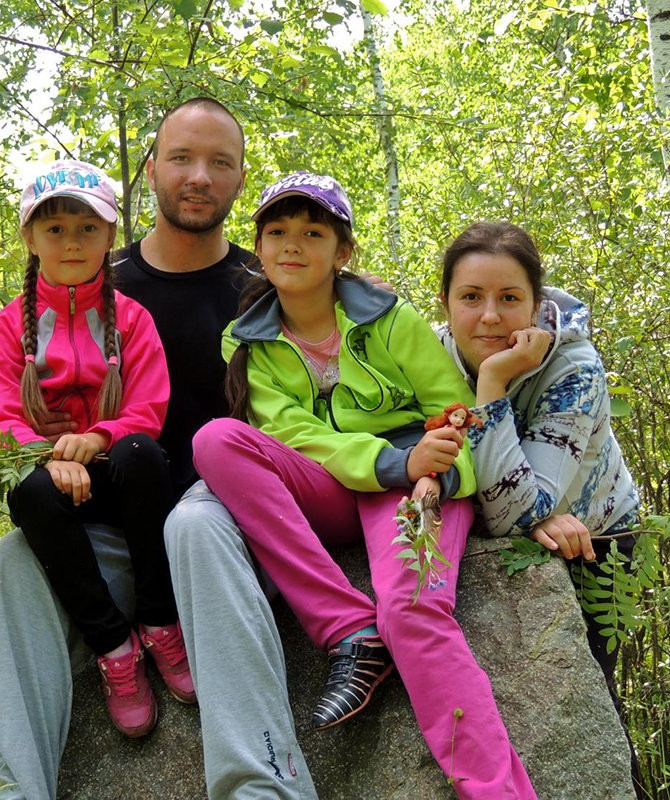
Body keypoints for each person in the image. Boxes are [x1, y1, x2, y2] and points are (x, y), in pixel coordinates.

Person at [0, 100, 318, 799]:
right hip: (114, 525)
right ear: (150, 170)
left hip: (223, 524)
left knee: (194, 525)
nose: (199, 176)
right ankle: (10, 788)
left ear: (240, 179)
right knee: (15, 556)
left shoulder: (266, 290)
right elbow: (4, 410)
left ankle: (262, 786)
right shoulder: (98, 281)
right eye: (182, 158)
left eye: (220, 162)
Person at [193, 172, 537, 800]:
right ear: (260, 249)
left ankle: (497, 792)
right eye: (277, 232)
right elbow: (294, 434)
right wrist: (386, 462)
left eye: (312, 232)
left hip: (412, 487)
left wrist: (429, 472)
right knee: (216, 439)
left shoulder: (390, 318)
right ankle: (349, 630)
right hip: (338, 484)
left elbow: (454, 413)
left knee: (411, 612)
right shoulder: (247, 341)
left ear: (342, 250)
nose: (293, 245)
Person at [0, 159, 194, 742]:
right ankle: (114, 649)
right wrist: (51, 457)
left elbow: (148, 409)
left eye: (87, 228)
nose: (72, 242)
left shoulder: (130, 319)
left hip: (121, 480)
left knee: (143, 455)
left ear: (110, 236)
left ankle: (158, 619)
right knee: (27, 493)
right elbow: (0, 421)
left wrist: (96, 438)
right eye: (55, 230)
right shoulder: (8, 330)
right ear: (29, 238)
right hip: (55, 488)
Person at [435, 220, 640, 696]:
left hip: (595, 541)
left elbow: (514, 514)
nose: (489, 316)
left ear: (535, 304)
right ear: (444, 302)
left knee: (582, 705)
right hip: (521, 525)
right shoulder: (429, 351)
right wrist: (532, 514)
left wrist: (491, 382)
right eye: (470, 297)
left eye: (509, 298)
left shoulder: (575, 368)